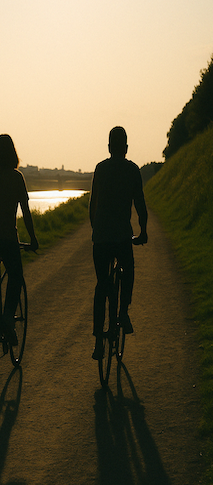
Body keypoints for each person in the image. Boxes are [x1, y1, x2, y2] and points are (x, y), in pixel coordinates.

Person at [89, 126, 148, 360]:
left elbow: (93, 204)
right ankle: (123, 312)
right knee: (128, 270)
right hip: (123, 236)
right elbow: (140, 204)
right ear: (126, 148)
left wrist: (96, 230)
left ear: (108, 147)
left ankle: (98, 341)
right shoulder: (132, 170)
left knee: (101, 285)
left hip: (101, 238)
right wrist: (143, 232)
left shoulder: (100, 169)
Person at [0, 134, 39, 350]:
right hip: (8, 240)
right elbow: (26, 212)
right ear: (13, 153)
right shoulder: (17, 177)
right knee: (16, 277)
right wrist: (32, 238)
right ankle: (7, 318)